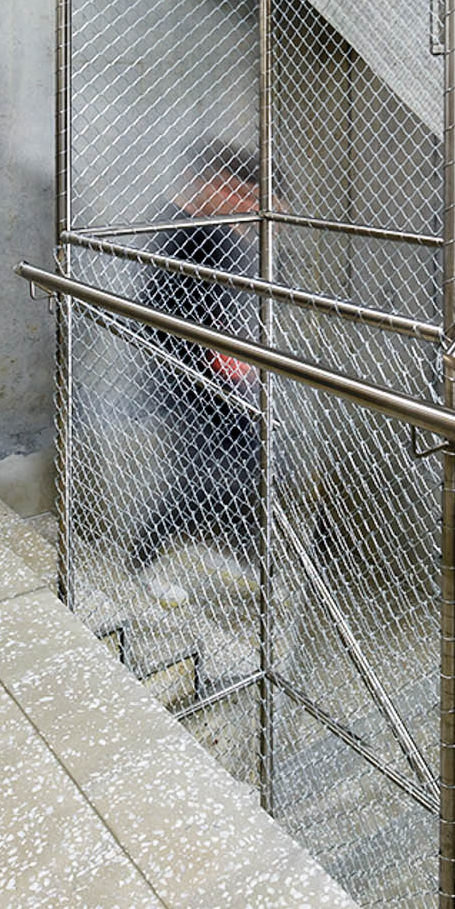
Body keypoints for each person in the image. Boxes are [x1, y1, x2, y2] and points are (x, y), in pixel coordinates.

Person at [128, 138, 267, 607]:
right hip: (183, 379)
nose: (249, 211)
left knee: (240, 463)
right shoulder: (184, 229)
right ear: (217, 185)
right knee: (195, 475)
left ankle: (237, 554)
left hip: (214, 379)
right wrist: (219, 352)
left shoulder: (216, 230)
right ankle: (143, 563)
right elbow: (160, 309)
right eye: (243, 198)